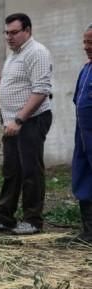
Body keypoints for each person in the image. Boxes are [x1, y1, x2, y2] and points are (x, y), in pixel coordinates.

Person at [0, 13, 53, 235]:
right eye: (6, 33)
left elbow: (41, 90)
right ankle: (5, 218)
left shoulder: (37, 52)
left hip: (31, 120)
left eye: (14, 33)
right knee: (11, 171)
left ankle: (32, 220)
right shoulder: (14, 55)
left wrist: (20, 119)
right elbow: (7, 87)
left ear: (27, 31)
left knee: (31, 171)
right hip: (12, 122)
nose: (9, 37)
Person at [71, 23, 92, 243]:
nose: (86, 46)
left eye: (90, 42)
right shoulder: (86, 69)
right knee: (83, 178)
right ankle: (88, 231)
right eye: (85, 42)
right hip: (83, 136)